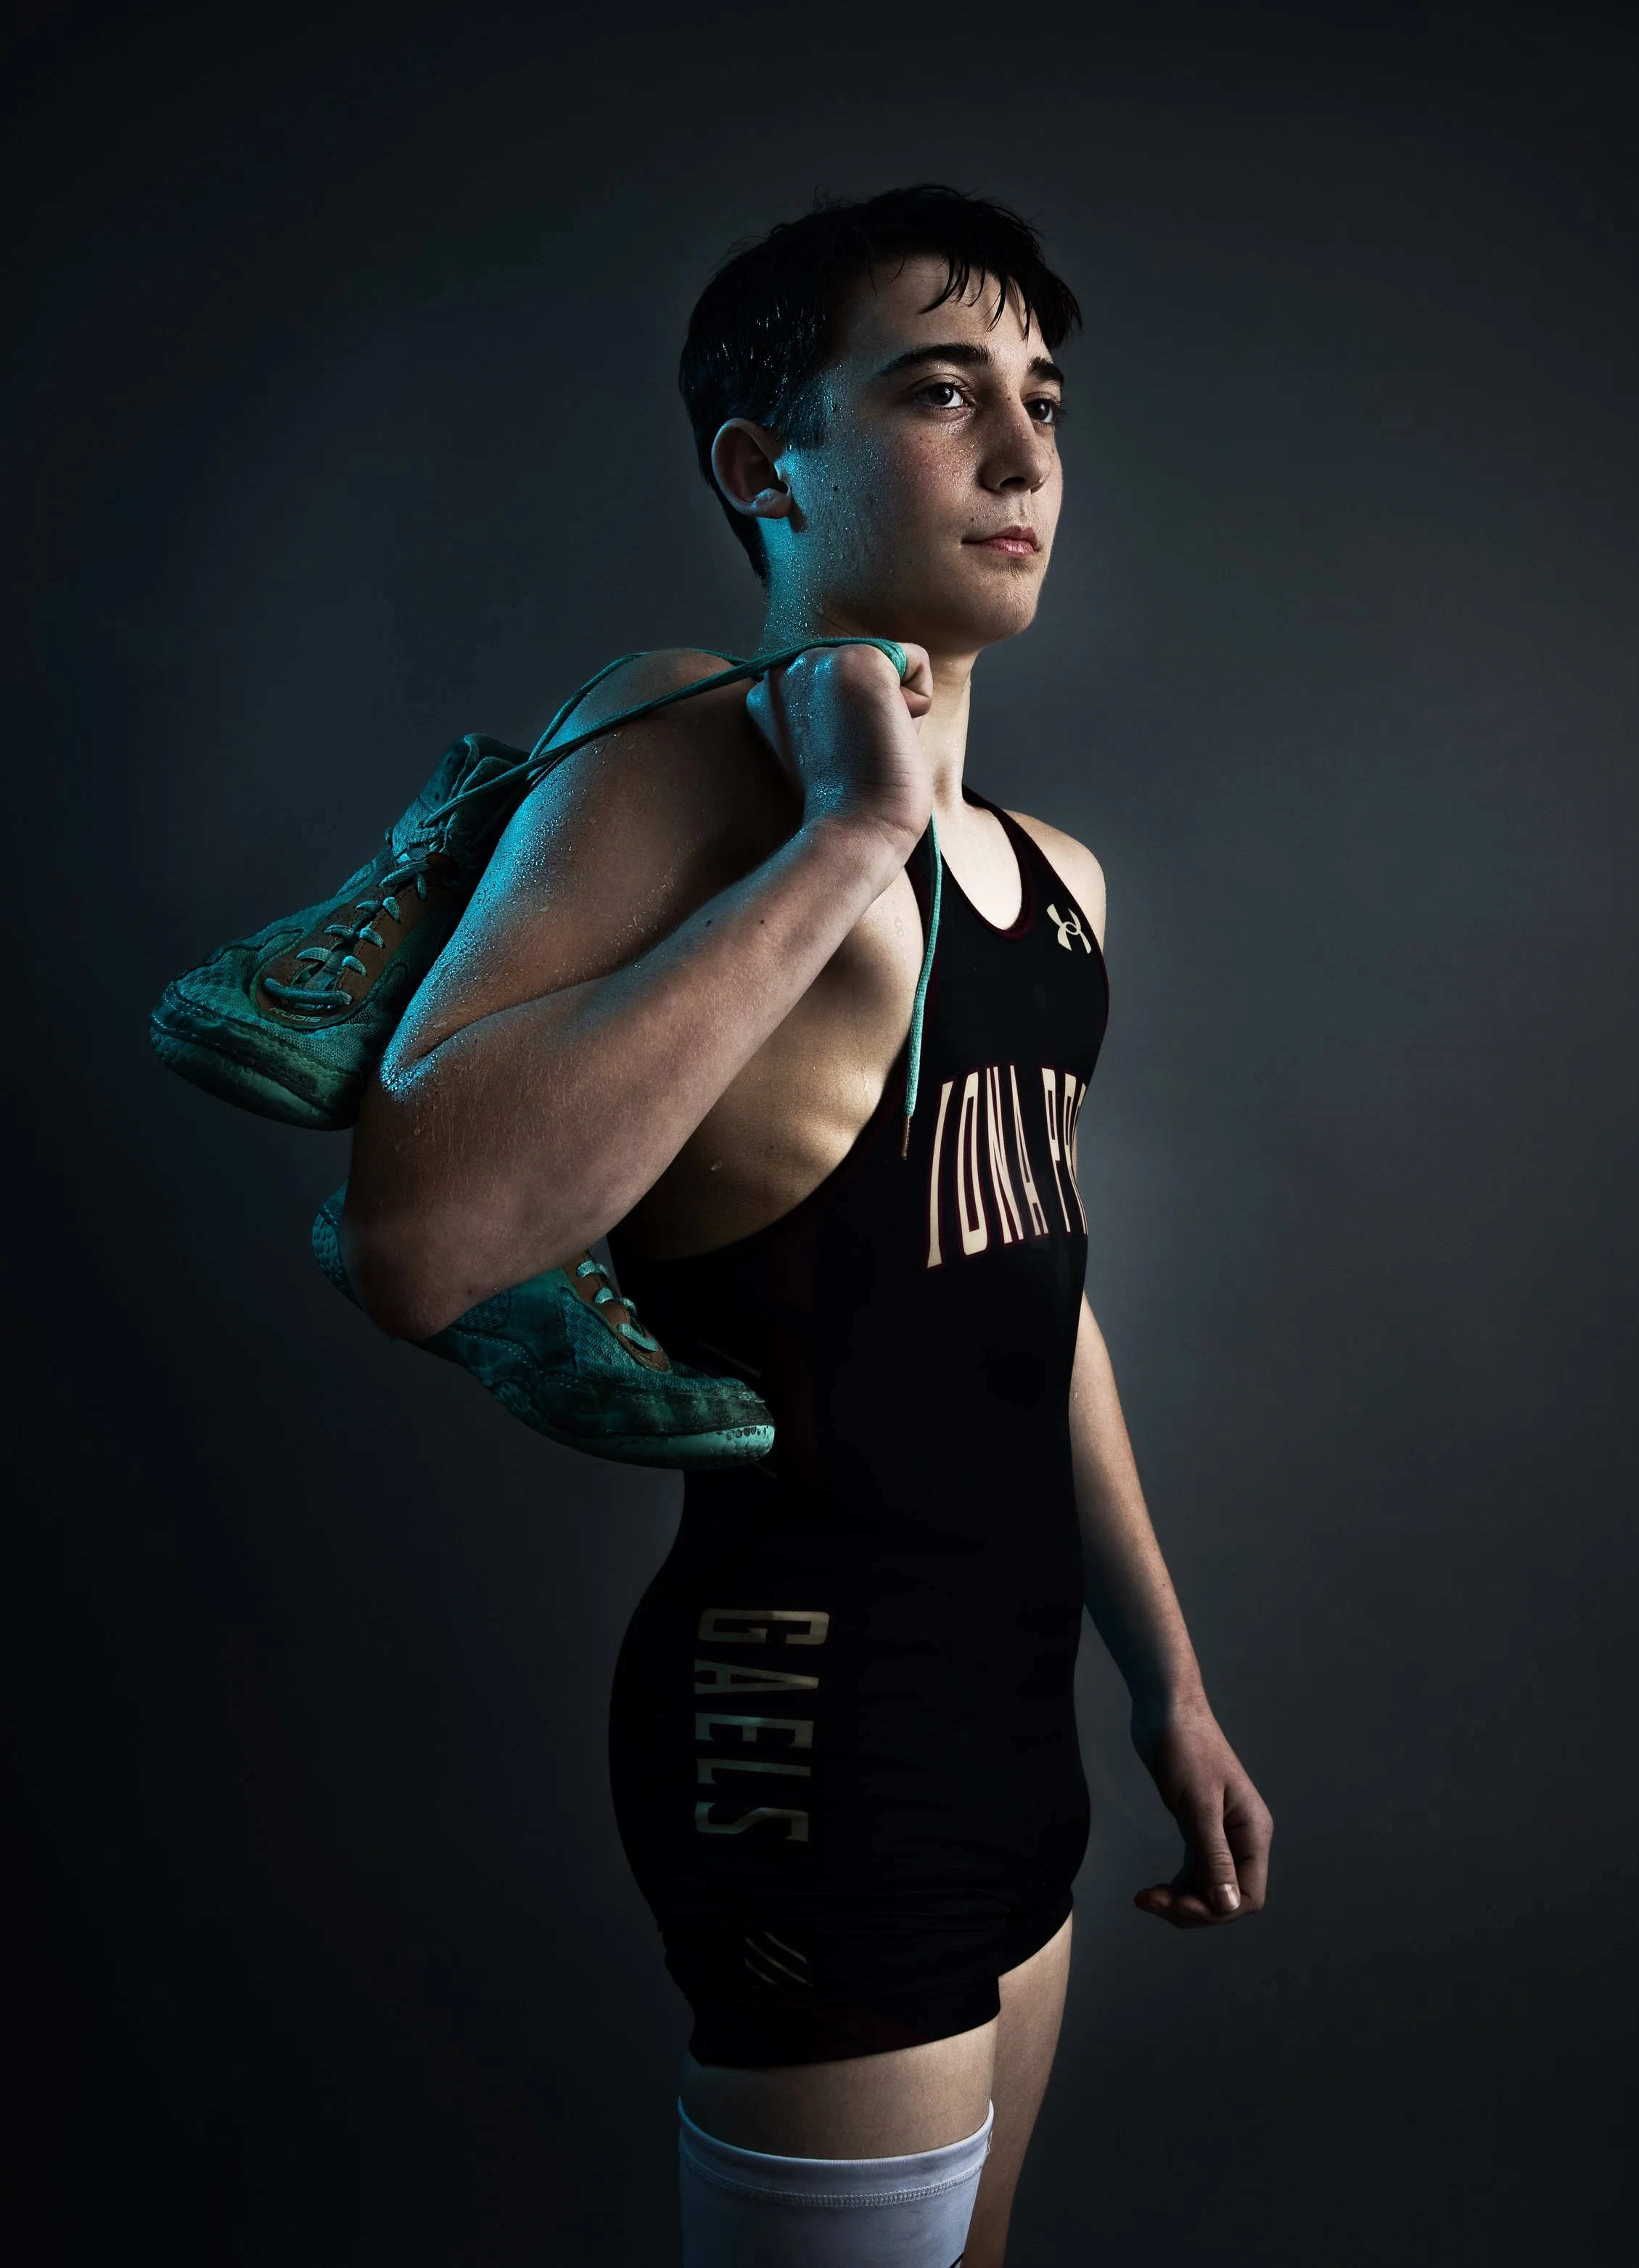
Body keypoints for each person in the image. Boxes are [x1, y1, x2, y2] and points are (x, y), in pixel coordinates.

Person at [340, 185, 1273, 2268]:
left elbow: (1030, 1289)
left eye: (1041, 400)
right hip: (808, 1734)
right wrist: (850, 828)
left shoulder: (1060, 876)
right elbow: (418, 1241)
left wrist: (1168, 1683)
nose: (1024, 457)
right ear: (765, 466)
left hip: (1012, 1727)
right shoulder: (684, 751)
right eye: (942, 397)